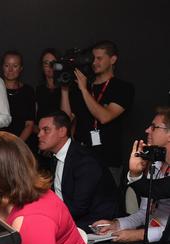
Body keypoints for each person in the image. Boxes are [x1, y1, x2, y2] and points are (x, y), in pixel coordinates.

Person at [90, 108, 170, 244]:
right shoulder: (156, 164)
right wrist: (117, 224)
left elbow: (163, 220)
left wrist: (133, 234)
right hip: (149, 235)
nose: (147, 130)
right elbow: (143, 213)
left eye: (154, 126)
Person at [60, 40, 134, 184]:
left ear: (113, 59)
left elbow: (104, 117)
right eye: (93, 58)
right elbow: (65, 119)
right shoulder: (84, 86)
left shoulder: (123, 88)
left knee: (106, 203)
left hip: (108, 161)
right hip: (81, 158)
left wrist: (83, 89)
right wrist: (64, 90)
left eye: (99, 58)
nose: (94, 62)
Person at [37, 111, 119, 231]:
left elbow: (79, 207)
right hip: (71, 217)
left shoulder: (85, 161)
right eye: (39, 130)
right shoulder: (56, 156)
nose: (39, 135)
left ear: (62, 131)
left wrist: (48, 218)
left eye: (46, 130)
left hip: (96, 224)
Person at [1, 50, 35, 149]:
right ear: (2, 67)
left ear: (21, 68)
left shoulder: (28, 91)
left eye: (15, 66)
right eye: (7, 65)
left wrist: (16, 145)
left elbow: (29, 124)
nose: (10, 70)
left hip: (21, 145)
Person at [34, 48, 61, 123]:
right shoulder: (39, 90)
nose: (50, 66)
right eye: (46, 63)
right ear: (42, 66)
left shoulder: (66, 89)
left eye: (53, 63)